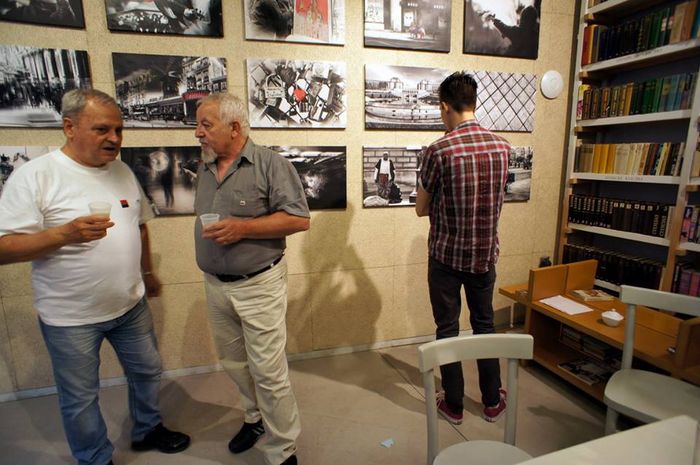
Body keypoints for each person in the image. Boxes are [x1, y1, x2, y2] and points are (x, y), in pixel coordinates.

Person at [0, 89, 190, 465]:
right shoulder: (35, 176)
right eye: (102, 129)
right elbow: (4, 248)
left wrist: (147, 272)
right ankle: (95, 458)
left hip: (130, 304)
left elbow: (139, 225)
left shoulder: (122, 171)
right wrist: (63, 234)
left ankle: (147, 430)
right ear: (69, 127)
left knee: (148, 371)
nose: (115, 139)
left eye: (119, 130)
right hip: (70, 317)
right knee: (81, 397)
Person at [193, 92, 309, 465]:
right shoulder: (205, 168)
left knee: (268, 372)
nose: (198, 133)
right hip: (215, 285)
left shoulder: (271, 165)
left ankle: (283, 449)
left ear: (234, 127)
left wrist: (242, 228)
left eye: (205, 125)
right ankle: (254, 418)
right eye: (197, 125)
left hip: (259, 285)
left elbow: (298, 219)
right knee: (234, 363)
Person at [415, 72, 510, 426]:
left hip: (445, 257)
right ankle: (492, 401)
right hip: (484, 256)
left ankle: (454, 405)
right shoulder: (502, 147)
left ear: (445, 106)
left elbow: (421, 208)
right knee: (485, 325)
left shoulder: (439, 150)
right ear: (473, 102)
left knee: (448, 328)